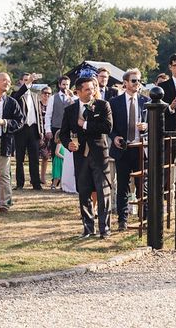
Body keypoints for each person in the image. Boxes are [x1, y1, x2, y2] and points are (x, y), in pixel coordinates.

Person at [60, 77, 113, 239]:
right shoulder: (70, 110)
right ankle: (88, 228)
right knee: (83, 192)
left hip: (99, 155)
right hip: (80, 156)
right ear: (78, 91)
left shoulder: (103, 105)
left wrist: (84, 124)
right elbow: (63, 133)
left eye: (93, 88)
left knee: (103, 191)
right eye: (87, 89)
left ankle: (105, 229)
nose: (91, 92)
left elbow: (107, 127)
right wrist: (68, 143)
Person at [109, 69, 150, 231]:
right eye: (134, 81)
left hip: (140, 149)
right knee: (123, 186)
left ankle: (146, 218)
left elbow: (152, 125)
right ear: (125, 83)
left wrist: (146, 126)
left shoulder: (145, 101)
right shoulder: (115, 102)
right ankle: (122, 220)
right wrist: (114, 137)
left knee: (143, 185)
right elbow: (109, 126)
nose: (137, 83)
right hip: (123, 149)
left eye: (139, 81)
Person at [0, 73, 24, 213]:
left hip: (4, 141)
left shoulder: (12, 102)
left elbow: (20, 121)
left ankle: (4, 204)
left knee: (4, 173)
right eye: (4, 80)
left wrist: (4, 122)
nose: (7, 83)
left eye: (9, 81)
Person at [11, 73, 44, 190]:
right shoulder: (16, 94)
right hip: (21, 129)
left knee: (34, 158)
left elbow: (39, 114)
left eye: (29, 80)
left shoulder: (35, 95)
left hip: (34, 129)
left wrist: (41, 132)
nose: (28, 82)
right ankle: (20, 183)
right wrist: (27, 84)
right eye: (25, 80)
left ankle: (36, 183)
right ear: (20, 81)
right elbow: (17, 96)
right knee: (19, 158)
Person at [44, 76, 75, 158]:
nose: (65, 87)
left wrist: (72, 97)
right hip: (56, 129)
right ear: (59, 85)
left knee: (69, 153)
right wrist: (48, 129)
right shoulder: (53, 98)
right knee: (56, 153)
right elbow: (48, 115)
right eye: (63, 84)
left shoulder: (73, 98)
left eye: (67, 85)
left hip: (69, 129)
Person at [38, 86, 52, 185]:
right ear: (41, 94)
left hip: (48, 133)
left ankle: (43, 177)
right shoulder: (37, 105)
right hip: (37, 133)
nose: (46, 95)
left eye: (49, 93)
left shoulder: (51, 105)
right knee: (34, 157)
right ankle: (35, 177)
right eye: (45, 93)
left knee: (46, 156)